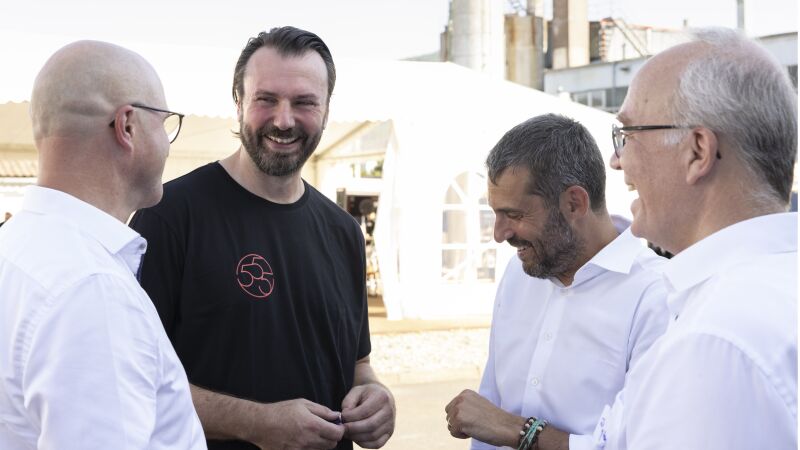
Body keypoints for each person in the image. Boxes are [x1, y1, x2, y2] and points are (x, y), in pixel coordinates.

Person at [129, 26, 395, 450]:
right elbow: (132, 382)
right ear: (238, 102)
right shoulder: (169, 216)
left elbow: (358, 364)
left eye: (304, 102)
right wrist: (256, 422)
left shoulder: (343, 232)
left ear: (326, 110)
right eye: (266, 99)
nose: (284, 120)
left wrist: (375, 397)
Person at [586, 27, 797, 450]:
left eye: (627, 135)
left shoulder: (714, 342)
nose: (615, 160)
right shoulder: (777, 286)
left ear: (698, 151)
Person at [0, 41, 204, 448]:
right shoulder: (90, 287)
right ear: (126, 126)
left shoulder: (16, 248)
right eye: (164, 123)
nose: (167, 142)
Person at [445, 114, 669, 450]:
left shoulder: (655, 296)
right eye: (496, 214)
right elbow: (493, 405)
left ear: (575, 203)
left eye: (515, 215)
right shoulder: (518, 274)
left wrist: (519, 431)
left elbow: (644, 442)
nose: (499, 234)